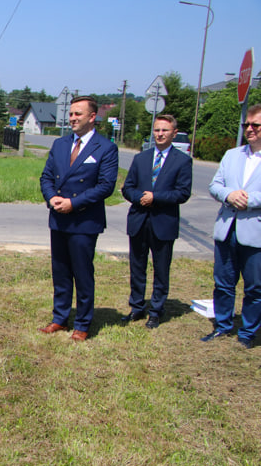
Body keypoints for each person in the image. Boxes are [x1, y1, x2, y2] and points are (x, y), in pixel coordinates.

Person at [38, 95, 119, 341]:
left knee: (82, 273)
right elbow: (46, 178)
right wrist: (52, 198)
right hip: (59, 217)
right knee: (60, 271)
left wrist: (73, 203)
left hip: (84, 221)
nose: (72, 118)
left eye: (78, 114)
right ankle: (60, 319)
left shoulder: (106, 148)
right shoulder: (60, 144)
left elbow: (105, 186)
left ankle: (83, 323)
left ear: (92, 117)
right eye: (71, 114)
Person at [120, 114, 192, 329]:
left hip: (163, 222)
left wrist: (156, 197)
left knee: (161, 269)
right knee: (137, 266)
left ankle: (156, 310)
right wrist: (139, 197)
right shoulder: (141, 158)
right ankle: (137, 307)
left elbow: (182, 193)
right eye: (157, 130)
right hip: (139, 220)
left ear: (173, 133)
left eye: (165, 131)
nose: (160, 134)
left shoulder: (182, 161)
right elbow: (128, 187)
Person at [202, 103, 261, 349]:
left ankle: (248, 332)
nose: (249, 129)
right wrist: (228, 195)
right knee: (223, 282)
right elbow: (215, 185)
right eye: (245, 125)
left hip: (254, 231)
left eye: (255, 125)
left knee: (255, 287)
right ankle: (223, 325)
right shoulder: (232, 154)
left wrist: (250, 200)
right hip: (227, 229)